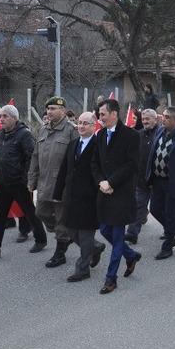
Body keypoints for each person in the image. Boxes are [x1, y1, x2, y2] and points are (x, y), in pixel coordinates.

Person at [0, 105, 48, 260]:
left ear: (14, 118)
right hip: (3, 181)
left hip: (18, 182)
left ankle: (41, 239)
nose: (1, 119)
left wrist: (26, 179)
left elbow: (32, 157)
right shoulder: (0, 135)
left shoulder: (24, 134)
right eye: (0, 116)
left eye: (5, 116)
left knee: (29, 211)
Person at [92, 99, 143, 294]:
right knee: (105, 230)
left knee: (118, 236)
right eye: (99, 114)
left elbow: (131, 165)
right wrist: (101, 182)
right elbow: (95, 164)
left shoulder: (131, 136)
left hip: (121, 193)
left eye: (103, 114)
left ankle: (111, 278)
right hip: (104, 191)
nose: (100, 117)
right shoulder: (100, 135)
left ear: (114, 114)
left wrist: (111, 183)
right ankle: (130, 256)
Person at [54, 112, 106, 281]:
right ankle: (95, 247)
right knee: (70, 229)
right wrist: (57, 191)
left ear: (94, 126)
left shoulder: (100, 145)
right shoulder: (73, 144)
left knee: (85, 234)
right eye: (79, 123)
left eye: (86, 123)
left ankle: (82, 269)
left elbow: (104, 171)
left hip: (90, 197)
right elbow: (64, 169)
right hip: (71, 195)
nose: (81, 126)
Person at [29, 96, 79, 268]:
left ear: (63, 111)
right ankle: (68, 236)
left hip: (61, 184)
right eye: (48, 109)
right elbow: (35, 157)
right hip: (44, 183)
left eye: (53, 109)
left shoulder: (72, 131)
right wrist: (31, 179)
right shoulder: (43, 130)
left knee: (60, 220)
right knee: (41, 212)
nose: (49, 112)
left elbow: (77, 160)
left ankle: (60, 252)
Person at [145, 107, 175, 259]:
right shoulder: (160, 131)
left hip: (174, 182)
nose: (163, 119)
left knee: (171, 213)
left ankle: (167, 247)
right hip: (157, 180)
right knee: (154, 209)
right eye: (163, 116)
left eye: (167, 117)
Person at [126, 109, 161, 245]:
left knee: (159, 209)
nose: (145, 121)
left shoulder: (162, 134)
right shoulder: (138, 135)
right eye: (143, 119)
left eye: (148, 119)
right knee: (138, 205)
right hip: (141, 180)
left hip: (158, 180)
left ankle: (173, 230)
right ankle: (132, 233)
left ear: (155, 119)